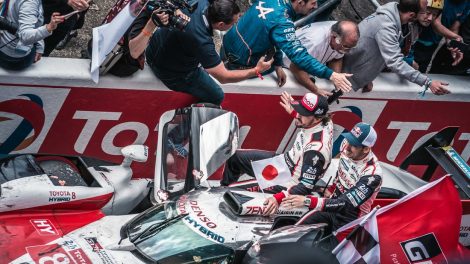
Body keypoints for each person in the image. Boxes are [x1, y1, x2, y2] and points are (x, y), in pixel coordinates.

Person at [221, 91, 334, 215]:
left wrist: (278, 198)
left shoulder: (315, 151)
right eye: (299, 110)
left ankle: (222, 197)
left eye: (303, 113)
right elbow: (310, 116)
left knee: (233, 191)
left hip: (288, 181)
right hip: (283, 162)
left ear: (317, 118)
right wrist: (296, 112)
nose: (298, 115)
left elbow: (305, 187)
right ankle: (220, 190)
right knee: (235, 157)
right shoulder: (324, 121)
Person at [145, 0, 273, 106]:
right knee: (217, 96)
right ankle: (187, 120)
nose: (235, 24)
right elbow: (224, 77)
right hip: (170, 72)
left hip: (153, 49)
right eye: (234, 23)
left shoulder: (199, 3)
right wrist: (256, 70)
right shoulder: (203, 42)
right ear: (221, 25)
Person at [221, 0, 353, 91]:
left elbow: (274, 39)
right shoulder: (282, 22)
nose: (316, 6)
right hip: (238, 64)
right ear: (300, 2)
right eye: (313, 3)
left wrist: (277, 64)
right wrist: (331, 74)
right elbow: (299, 56)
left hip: (226, 45)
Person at [281, 122, 383, 235]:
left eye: (354, 145)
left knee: (331, 251)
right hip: (332, 204)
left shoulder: (372, 175)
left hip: (350, 218)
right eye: (349, 140)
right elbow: (342, 168)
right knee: (293, 233)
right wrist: (332, 187)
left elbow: (345, 204)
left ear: (366, 149)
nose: (348, 147)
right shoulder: (346, 145)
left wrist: (307, 201)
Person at [341, 0, 450, 95]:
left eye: (434, 14)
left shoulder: (397, 18)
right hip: (345, 78)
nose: (430, 18)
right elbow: (394, 61)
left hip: (354, 76)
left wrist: (367, 77)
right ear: (412, 15)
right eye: (425, 12)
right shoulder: (386, 25)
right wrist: (428, 82)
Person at [284, 20, 359, 97]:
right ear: (334, 37)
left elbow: (336, 58)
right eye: (346, 46)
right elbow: (295, 67)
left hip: (309, 67)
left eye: (351, 47)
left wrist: (337, 78)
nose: (348, 51)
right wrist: (316, 90)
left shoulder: (343, 34)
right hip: (287, 66)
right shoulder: (314, 42)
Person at [0, 0, 63, 70]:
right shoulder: (30, 3)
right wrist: (48, 28)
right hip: (14, 59)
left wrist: (40, 43)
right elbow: (25, 36)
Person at [402, 0, 463, 71]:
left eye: (434, 15)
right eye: (427, 13)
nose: (430, 18)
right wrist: (409, 61)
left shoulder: (416, 27)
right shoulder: (404, 25)